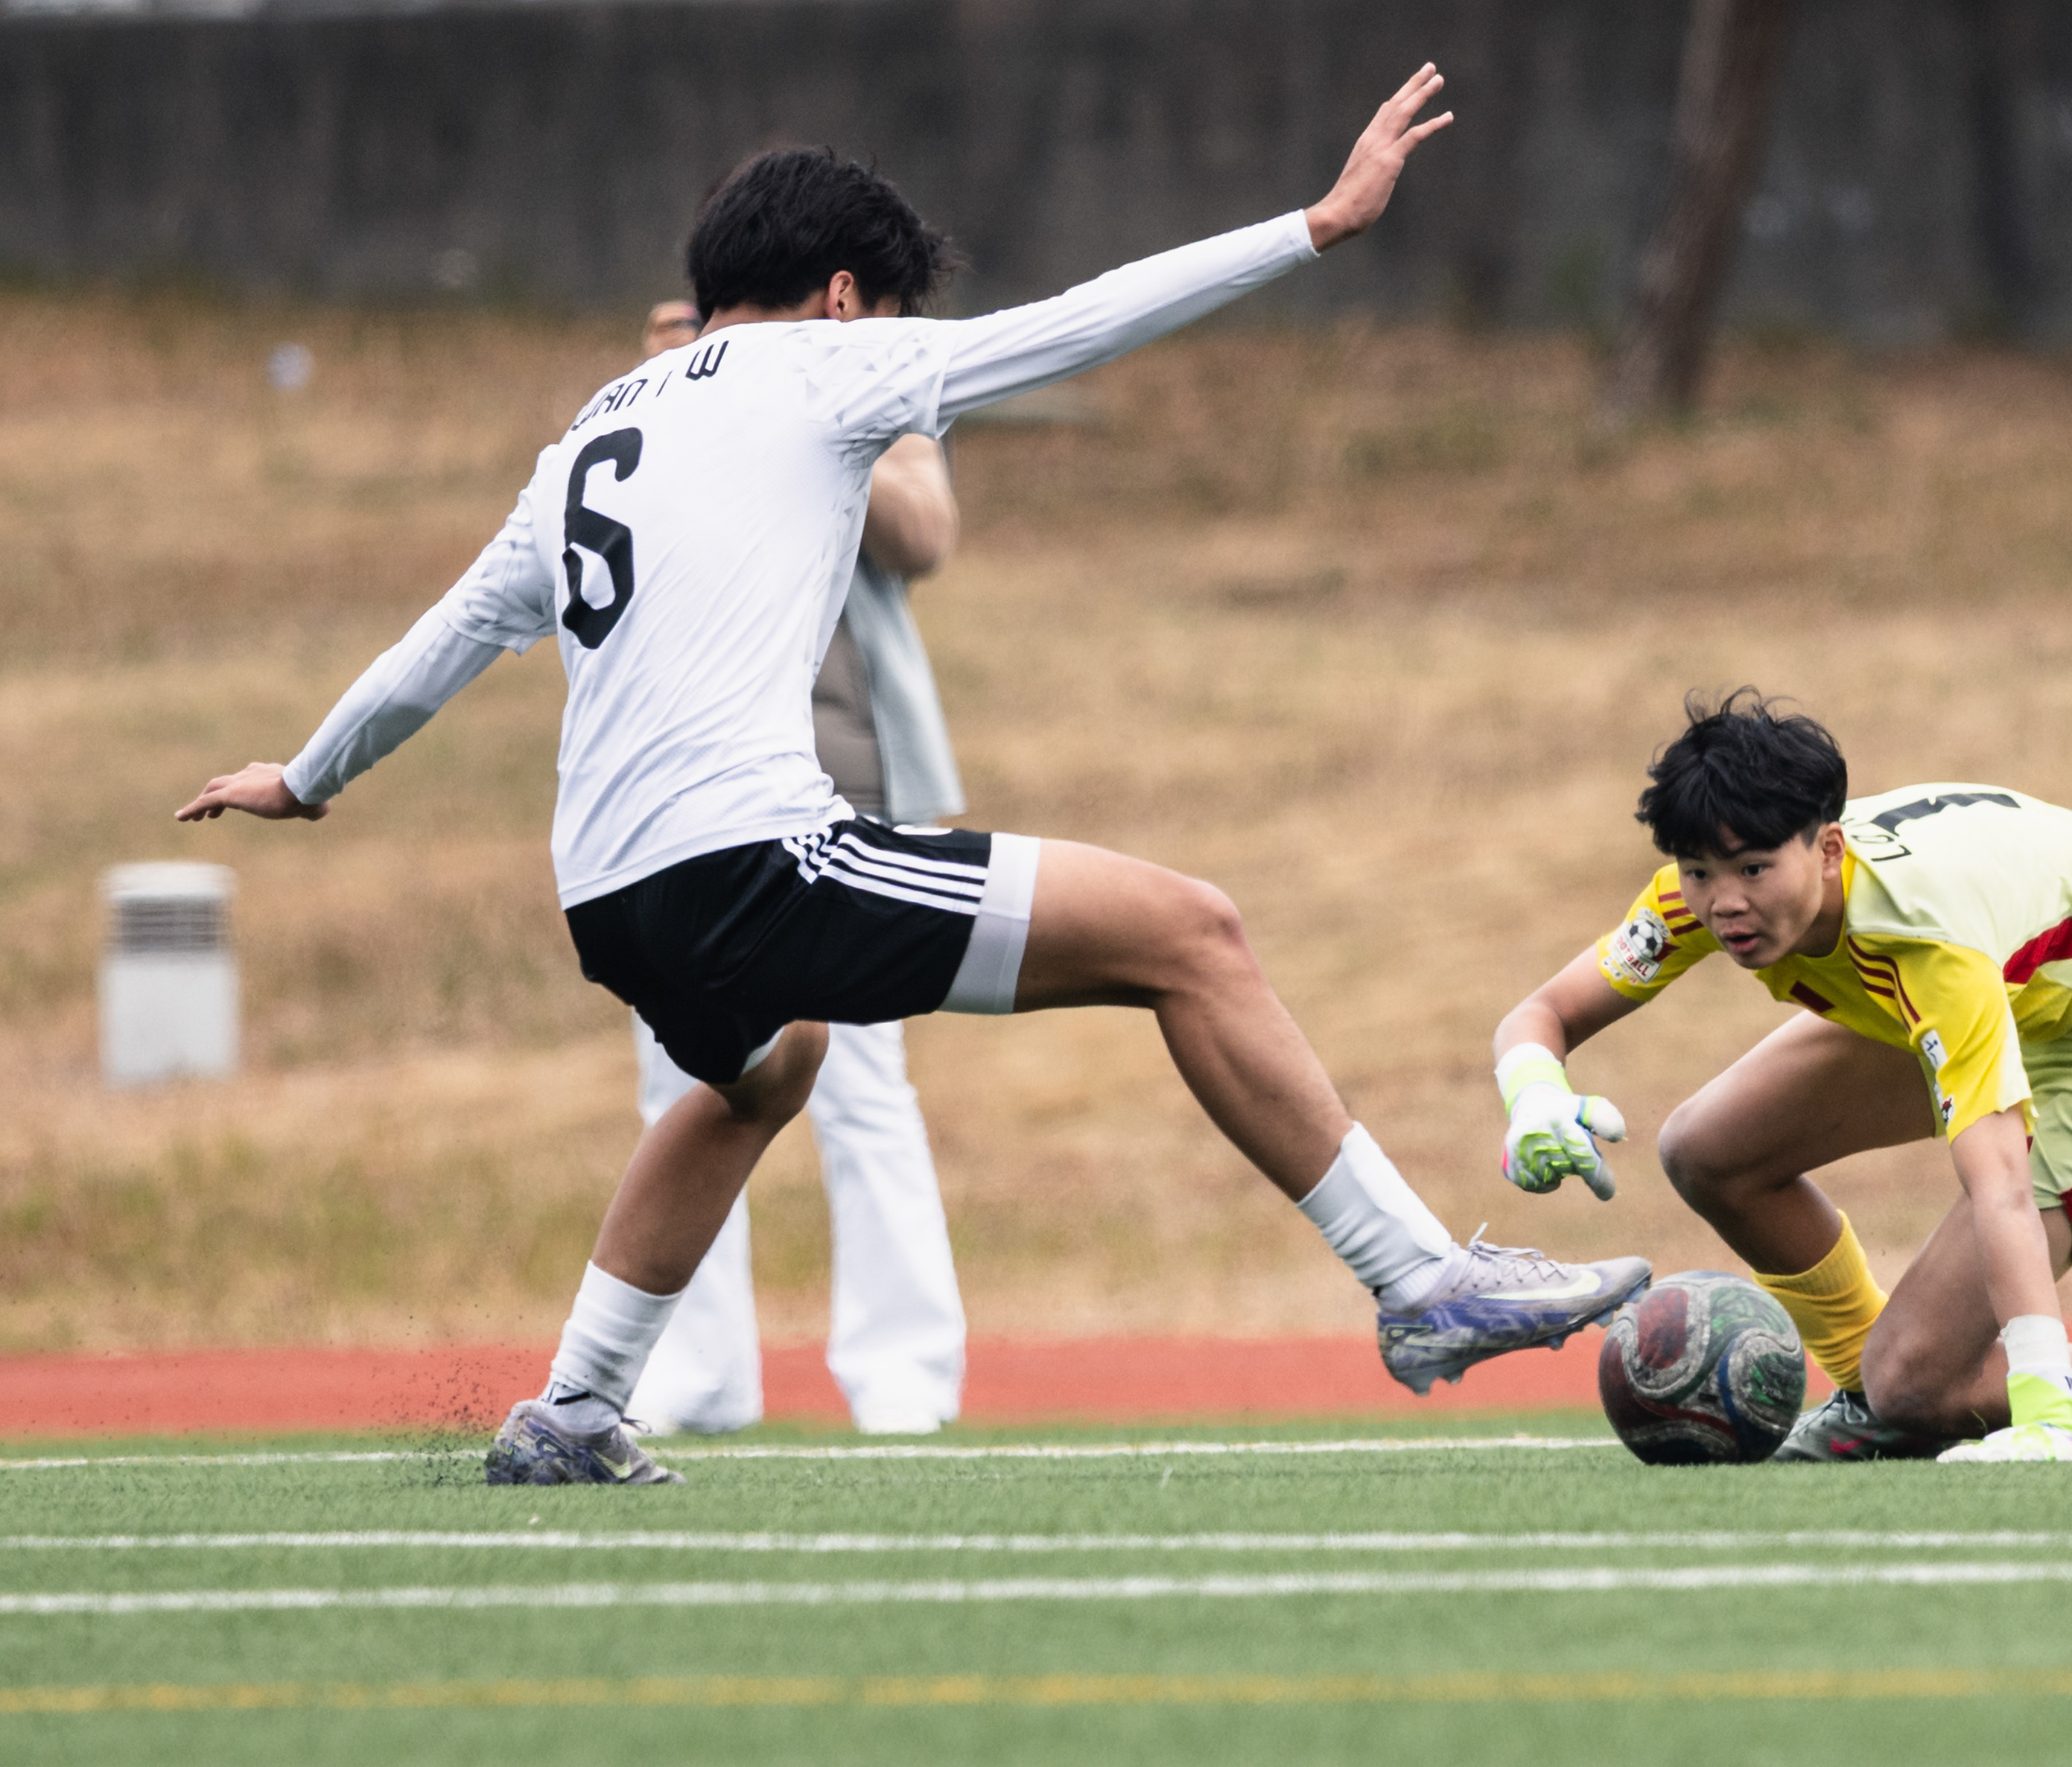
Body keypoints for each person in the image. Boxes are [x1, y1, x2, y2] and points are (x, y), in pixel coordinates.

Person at [179, 66, 1650, 1486]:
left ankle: (571, 1409)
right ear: (839, 298)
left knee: (773, 1067)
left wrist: (306, 776)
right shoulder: (826, 361)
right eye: (881, 312)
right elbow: (1078, 326)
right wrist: (1313, 228)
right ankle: (1421, 1287)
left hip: (611, 896)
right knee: (1190, 934)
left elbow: (448, 635)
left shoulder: (589, 434)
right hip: (753, 860)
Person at [1485, 690, 2072, 1463]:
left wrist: (2043, 1417)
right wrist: (1532, 1098)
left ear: (1827, 850)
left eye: (1752, 870)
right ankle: (1869, 1402)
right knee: (1707, 1149)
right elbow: (1542, 1015)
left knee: (1921, 1386)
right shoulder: (1696, 897)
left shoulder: (1926, 942)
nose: (1724, 903)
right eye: (1701, 872)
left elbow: (1998, 1181)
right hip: (2021, 984)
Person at [623, 296, 970, 1437]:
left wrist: (798, 417)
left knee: (865, 1092)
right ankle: (696, 1376)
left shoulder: (865, 380)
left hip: (849, 786)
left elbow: (924, 537)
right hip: (686, 800)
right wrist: (686, 404)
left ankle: (905, 1383)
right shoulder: (656, 407)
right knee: (683, 1090)